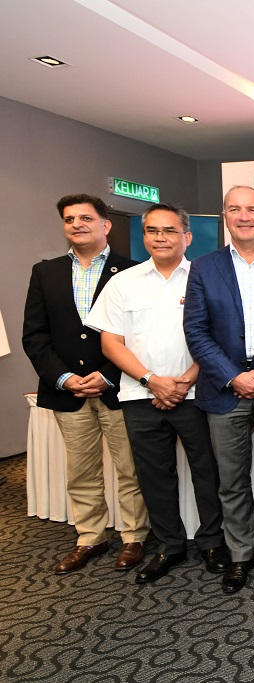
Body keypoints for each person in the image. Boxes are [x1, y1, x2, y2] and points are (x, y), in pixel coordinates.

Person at [86, 203, 230, 584]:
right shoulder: (123, 283)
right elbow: (111, 344)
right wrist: (152, 380)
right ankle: (170, 545)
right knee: (153, 475)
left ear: (188, 236)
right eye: (152, 230)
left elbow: (217, 337)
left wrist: (185, 381)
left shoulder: (205, 278)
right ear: (144, 236)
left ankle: (213, 542)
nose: (160, 237)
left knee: (207, 472)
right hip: (140, 395)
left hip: (197, 393)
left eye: (169, 230)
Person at [23, 194, 150, 575]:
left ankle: (134, 536)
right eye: (69, 219)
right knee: (81, 471)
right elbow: (35, 335)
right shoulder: (45, 273)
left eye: (85, 218)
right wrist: (64, 378)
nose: (77, 224)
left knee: (130, 469)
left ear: (105, 225)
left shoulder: (132, 272)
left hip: (118, 388)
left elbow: (140, 336)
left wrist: (108, 375)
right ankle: (90, 537)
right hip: (68, 391)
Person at [183, 186, 254, 594]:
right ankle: (240, 554)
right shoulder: (203, 268)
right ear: (225, 217)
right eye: (235, 209)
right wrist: (233, 376)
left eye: (252, 209)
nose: (244, 216)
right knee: (231, 480)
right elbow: (196, 332)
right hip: (224, 390)